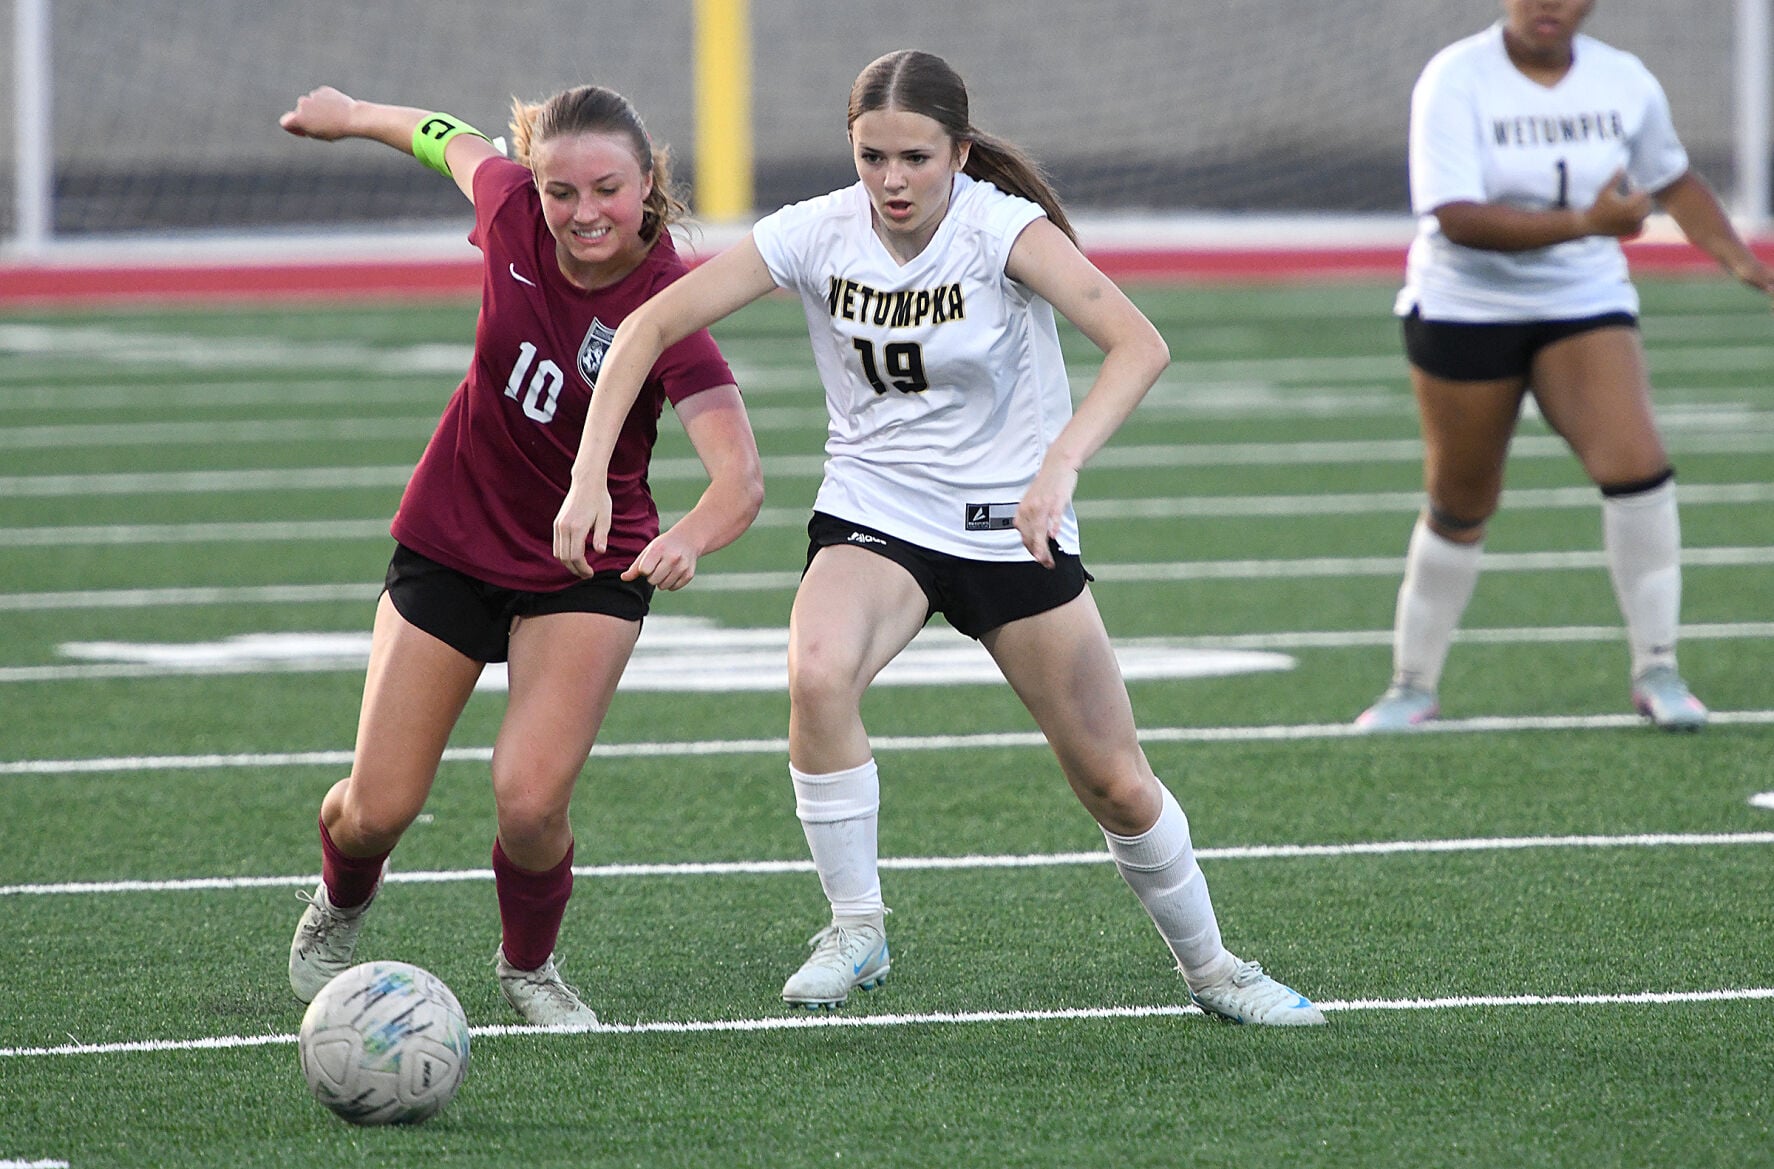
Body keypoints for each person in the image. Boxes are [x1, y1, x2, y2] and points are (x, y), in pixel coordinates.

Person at [553, 50, 1325, 1026]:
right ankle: (854, 923)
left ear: (958, 151)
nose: (892, 181)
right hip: (878, 512)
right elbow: (645, 325)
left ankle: (1214, 969)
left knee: (1114, 782)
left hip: (1009, 526)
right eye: (871, 156)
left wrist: (1058, 468)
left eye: (915, 157)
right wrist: (587, 477)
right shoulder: (817, 232)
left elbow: (1139, 345)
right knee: (816, 669)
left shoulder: (1004, 232)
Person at [277, 83, 763, 1024]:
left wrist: (686, 539)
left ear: (650, 182)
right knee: (376, 808)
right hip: (453, 537)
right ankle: (340, 896)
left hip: (589, 568)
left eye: (608, 190)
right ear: (535, 185)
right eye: (561, 191)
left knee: (530, 799)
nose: (584, 212)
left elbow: (738, 478)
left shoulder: (669, 301)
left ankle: (528, 968)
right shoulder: (507, 209)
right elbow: (444, 138)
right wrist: (346, 116)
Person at [1357, 0, 1774, 732]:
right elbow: (1454, 215)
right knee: (1461, 500)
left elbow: (1673, 179)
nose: (1548, 4)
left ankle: (1659, 667)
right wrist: (1587, 222)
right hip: (1465, 305)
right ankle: (1412, 682)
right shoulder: (1455, 78)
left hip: (1582, 298)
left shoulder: (1624, 80)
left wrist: (1742, 260)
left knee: (1640, 469)